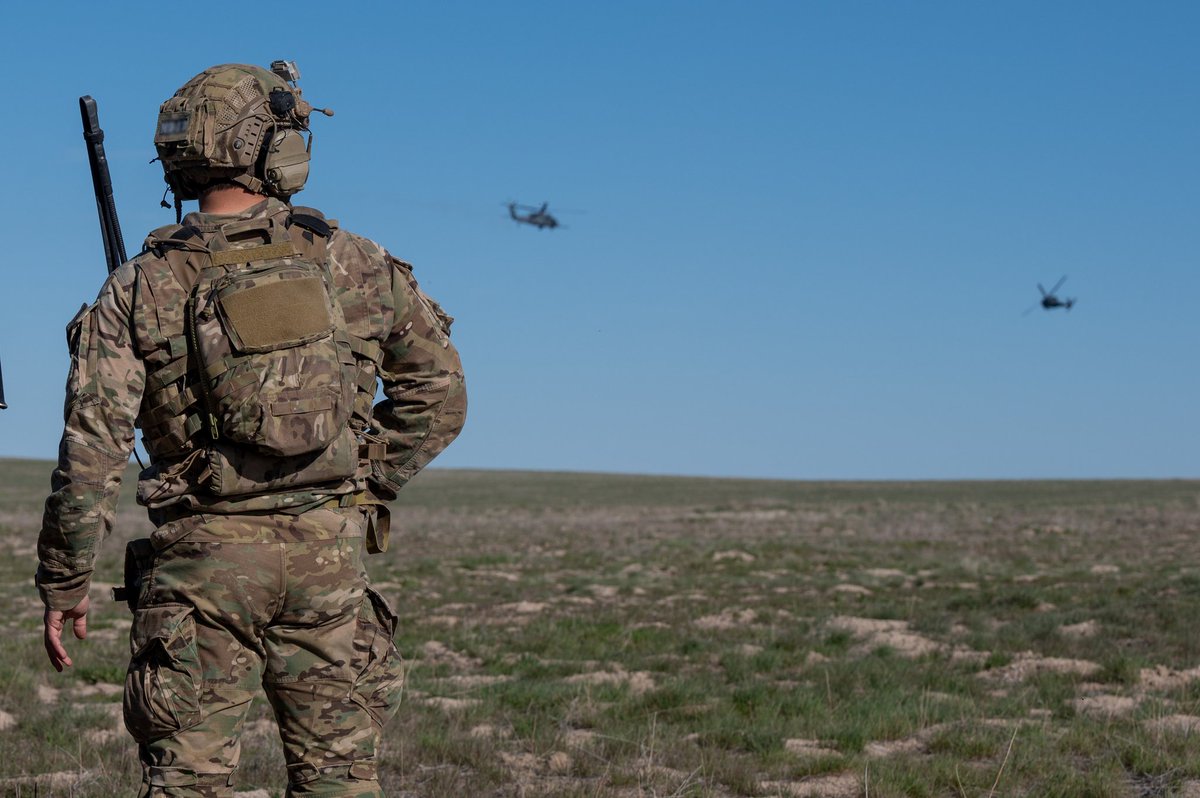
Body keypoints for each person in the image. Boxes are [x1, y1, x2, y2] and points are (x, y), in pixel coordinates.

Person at [36, 61, 467, 797]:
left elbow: (92, 450)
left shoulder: (139, 284)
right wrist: (361, 481)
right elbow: (439, 395)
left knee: (188, 783)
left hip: (200, 567)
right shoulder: (356, 261)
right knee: (340, 780)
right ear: (274, 146)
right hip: (329, 560)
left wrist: (65, 579)